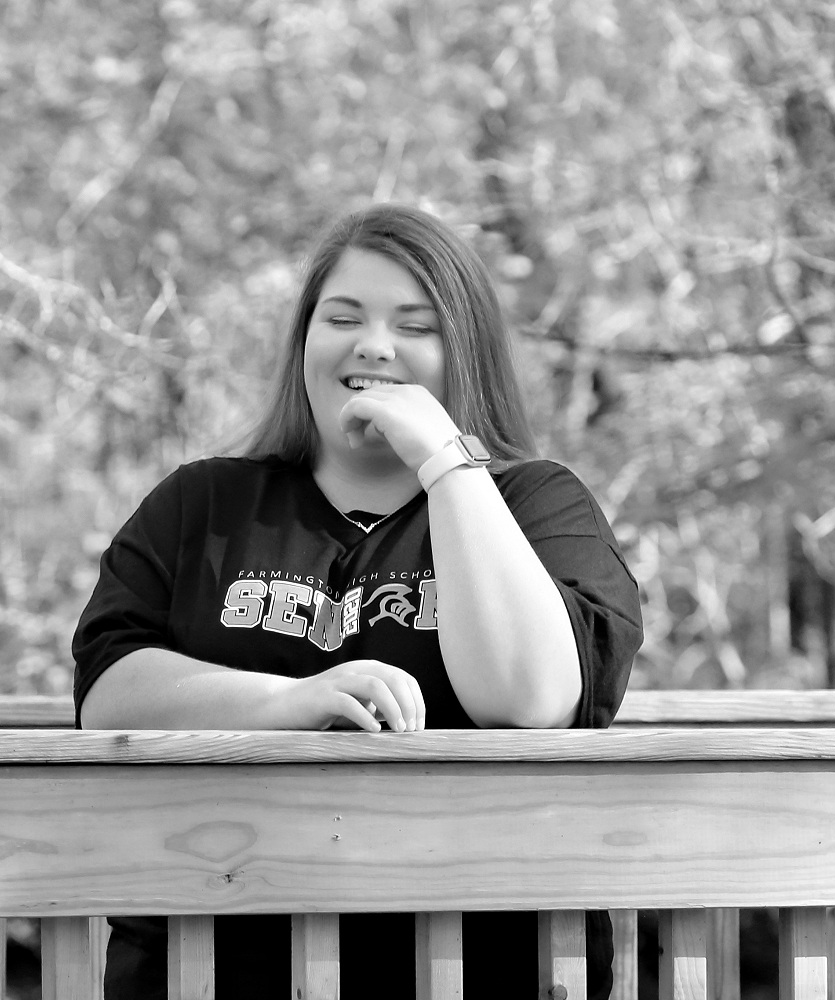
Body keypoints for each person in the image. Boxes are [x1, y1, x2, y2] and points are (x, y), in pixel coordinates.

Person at [72, 204, 644, 999]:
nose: (373, 345)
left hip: (481, 969)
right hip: (216, 965)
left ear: (466, 352)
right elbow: (109, 691)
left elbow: (530, 702)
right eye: (343, 318)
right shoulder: (202, 503)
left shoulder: (538, 506)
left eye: (416, 326)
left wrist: (448, 462)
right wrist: (291, 702)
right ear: (305, 341)